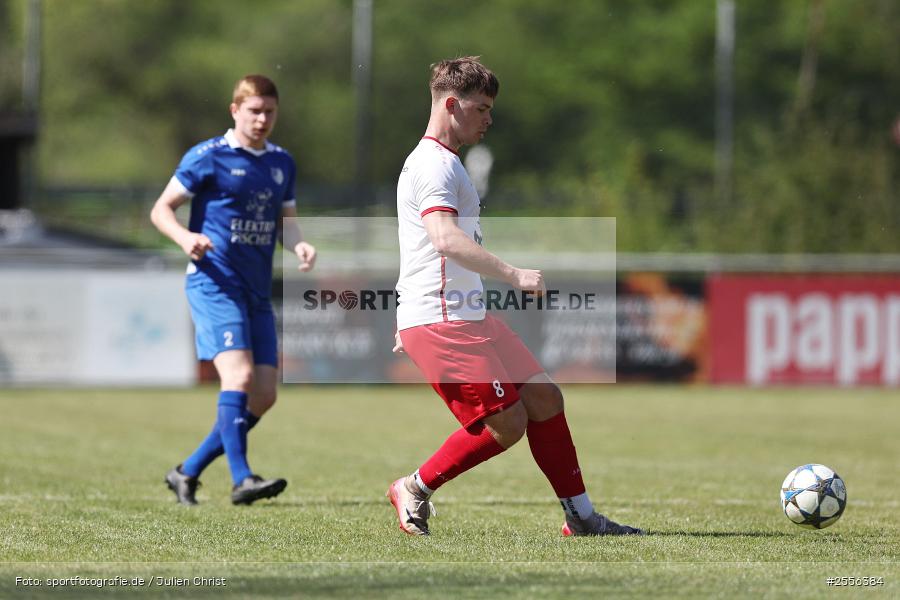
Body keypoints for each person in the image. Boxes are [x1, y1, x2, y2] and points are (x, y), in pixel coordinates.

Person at [387, 57, 642, 536]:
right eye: (481, 108)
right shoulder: (433, 166)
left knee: (545, 398)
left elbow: (419, 248)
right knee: (506, 426)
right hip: (444, 320)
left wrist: (404, 313)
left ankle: (582, 518)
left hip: (463, 315)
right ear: (450, 104)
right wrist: (513, 274)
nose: (489, 119)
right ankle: (414, 488)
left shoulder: (445, 164)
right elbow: (442, 239)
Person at [150, 74, 316, 506]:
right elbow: (161, 209)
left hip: (256, 292)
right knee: (239, 377)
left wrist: (297, 242)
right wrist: (186, 239)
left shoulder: (282, 163)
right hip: (213, 282)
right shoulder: (208, 156)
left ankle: (186, 471)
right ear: (235, 111)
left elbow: (287, 219)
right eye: (254, 111)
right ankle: (242, 479)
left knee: (263, 394)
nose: (262, 119)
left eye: (270, 112)